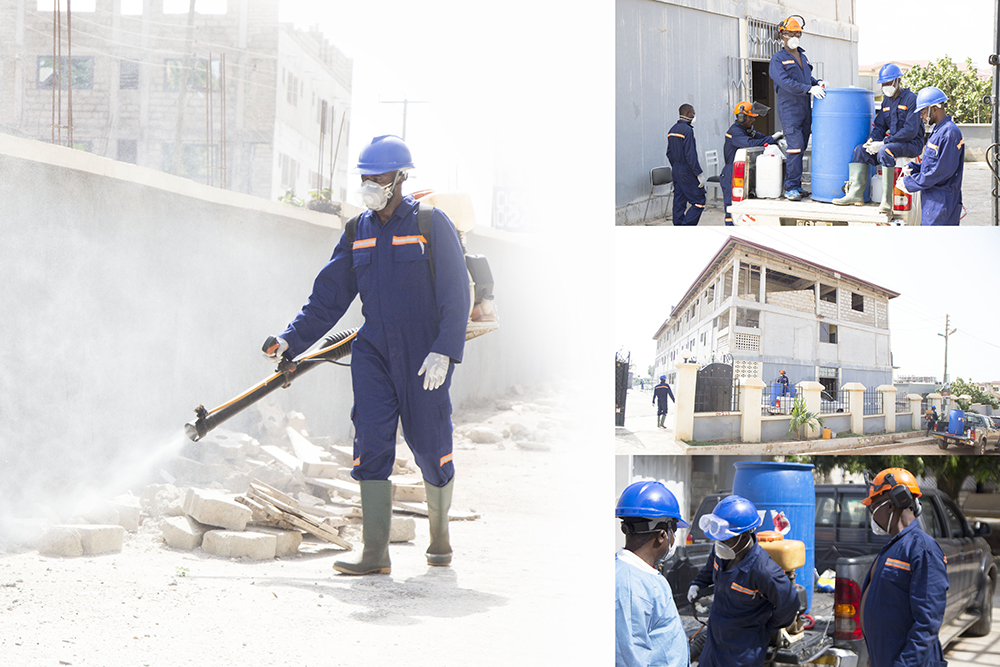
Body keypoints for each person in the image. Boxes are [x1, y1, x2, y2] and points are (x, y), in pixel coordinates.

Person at [263, 135, 471, 575]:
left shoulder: (431, 224)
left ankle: (440, 537)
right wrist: (290, 340)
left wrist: (444, 351)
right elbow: (328, 298)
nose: (370, 185)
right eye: (365, 178)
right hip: (373, 351)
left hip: (423, 354)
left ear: (400, 178)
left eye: (377, 178)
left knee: (430, 445)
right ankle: (375, 552)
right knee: (370, 439)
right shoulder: (357, 230)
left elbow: (457, 293)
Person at [687, 495, 800, 667]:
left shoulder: (764, 571)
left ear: (746, 534)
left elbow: (790, 604)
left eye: (726, 537)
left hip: (742, 650)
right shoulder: (723, 551)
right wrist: (697, 584)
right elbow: (710, 568)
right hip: (714, 642)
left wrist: (767, 627)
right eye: (718, 536)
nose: (720, 541)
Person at [860, 468, 948, 667]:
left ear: (892, 505)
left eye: (873, 507)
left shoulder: (923, 550)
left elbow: (927, 622)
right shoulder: (894, 546)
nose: (872, 514)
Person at [615, 480, 690, 667]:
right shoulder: (630, 588)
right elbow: (629, 659)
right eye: (674, 531)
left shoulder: (642, 575)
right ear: (662, 535)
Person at [834, 63, 924, 210]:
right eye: (883, 83)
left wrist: (883, 143)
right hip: (892, 143)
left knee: (885, 150)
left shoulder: (911, 100)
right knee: (860, 150)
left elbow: (910, 131)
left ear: (897, 81)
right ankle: (856, 195)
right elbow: (880, 125)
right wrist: (872, 140)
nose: (886, 86)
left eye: (889, 83)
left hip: (911, 144)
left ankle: (886, 201)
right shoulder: (887, 101)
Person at [768, 15, 826, 201]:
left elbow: (806, 78)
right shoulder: (777, 59)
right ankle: (790, 187)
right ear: (782, 36)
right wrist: (809, 89)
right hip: (790, 110)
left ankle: (797, 185)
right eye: (789, 33)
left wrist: (817, 83)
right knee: (794, 148)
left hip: (805, 109)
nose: (793, 36)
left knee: (800, 149)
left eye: (797, 33)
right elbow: (786, 83)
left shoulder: (803, 56)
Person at [898, 87, 966, 225]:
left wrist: (910, 183)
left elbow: (942, 171)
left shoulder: (949, 133)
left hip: (942, 204)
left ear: (934, 108)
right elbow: (933, 164)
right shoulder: (939, 130)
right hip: (933, 201)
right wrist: (914, 168)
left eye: (923, 112)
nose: (921, 116)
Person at [721, 102, 783, 225]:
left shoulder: (747, 130)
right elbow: (750, 144)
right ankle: (731, 230)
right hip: (731, 172)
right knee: (732, 209)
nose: (753, 120)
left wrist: (773, 139)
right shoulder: (735, 132)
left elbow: (760, 138)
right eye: (751, 117)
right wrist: (771, 139)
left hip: (742, 171)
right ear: (741, 117)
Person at [666, 104, 706, 226]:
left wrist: (676, 168)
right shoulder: (688, 131)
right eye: (693, 113)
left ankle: (678, 226)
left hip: (676, 169)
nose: (694, 116)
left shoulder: (672, 130)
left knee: (679, 199)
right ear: (688, 114)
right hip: (686, 170)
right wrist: (698, 173)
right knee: (699, 201)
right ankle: (686, 226)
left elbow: (669, 153)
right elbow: (690, 155)